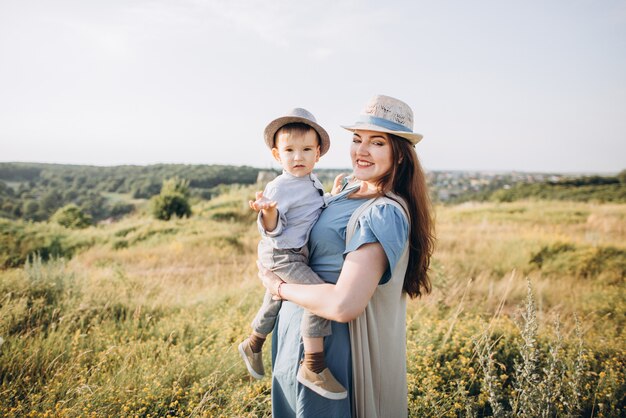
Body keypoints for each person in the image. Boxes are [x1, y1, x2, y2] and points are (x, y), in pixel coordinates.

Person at [258, 95, 435, 417]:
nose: (361, 150)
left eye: (377, 143)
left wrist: (278, 288)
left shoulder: (384, 212)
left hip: (333, 351)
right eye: (357, 139)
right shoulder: (350, 190)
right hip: (294, 337)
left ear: (399, 156)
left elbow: (344, 305)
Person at [238, 108, 348, 400]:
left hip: (296, 253)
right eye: (289, 150)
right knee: (319, 296)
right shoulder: (280, 186)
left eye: (306, 149)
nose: (298, 157)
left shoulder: (312, 182)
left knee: (275, 298)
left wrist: (332, 196)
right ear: (277, 155)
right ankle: (313, 364)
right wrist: (270, 212)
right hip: (283, 253)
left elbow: (313, 208)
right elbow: (271, 229)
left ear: (318, 153)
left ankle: (254, 343)